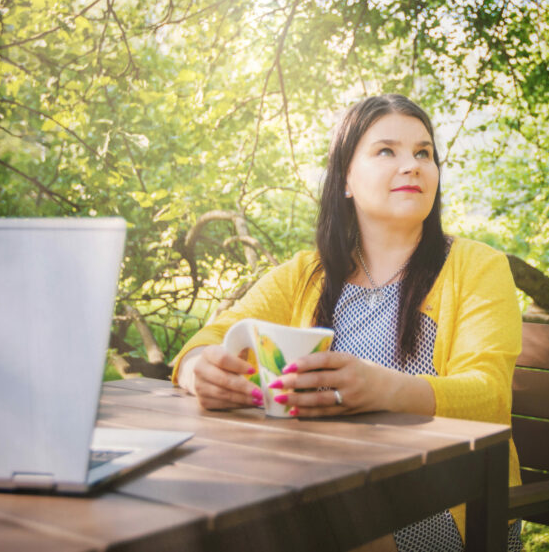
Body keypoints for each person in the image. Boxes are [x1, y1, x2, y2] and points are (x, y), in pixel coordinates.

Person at [171, 94, 523, 552]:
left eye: (424, 153)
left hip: (449, 501)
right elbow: (215, 334)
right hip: (313, 479)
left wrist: (385, 390)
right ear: (346, 180)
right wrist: (198, 369)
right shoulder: (307, 274)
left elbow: (490, 395)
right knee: (208, 503)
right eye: (386, 151)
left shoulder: (477, 267)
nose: (412, 165)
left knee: (302, 526)